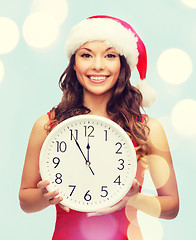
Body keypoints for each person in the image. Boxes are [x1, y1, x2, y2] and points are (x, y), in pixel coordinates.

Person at [19, 15, 179, 240]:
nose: (97, 65)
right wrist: (45, 197)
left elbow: (171, 207)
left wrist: (133, 198)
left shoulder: (148, 129)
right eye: (86, 55)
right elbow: (25, 200)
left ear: (122, 63)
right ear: (74, 63)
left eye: (110, 55)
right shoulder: (48, 125)